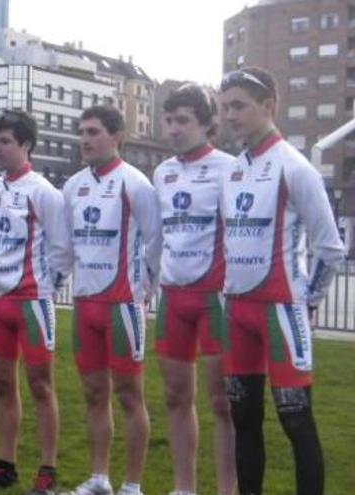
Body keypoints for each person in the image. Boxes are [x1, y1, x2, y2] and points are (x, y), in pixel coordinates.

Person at [219, 67, 345, 495]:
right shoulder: (233, 170)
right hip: (237, 314)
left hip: (281, 313)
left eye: (239, 106)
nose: (230, 116)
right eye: (225, 107)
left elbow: (331, 247)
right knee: (244, 419)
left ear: (269, 106)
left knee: (295, 421)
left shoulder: (295, 167)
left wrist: (307, 300)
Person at [60, 105, 161, 495]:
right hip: (85, 306)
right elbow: (69, 245)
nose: (85, 139)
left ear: (117, 136)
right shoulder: (73, 186)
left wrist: (143, 293)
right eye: (82, 132)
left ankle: (132, 484)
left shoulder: (135, 184)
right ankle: (99, 477)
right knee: (94, 393)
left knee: (129, 395)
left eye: (94, 132)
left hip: (122, 307)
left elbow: (155, 244)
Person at [0, 110, 66, 495]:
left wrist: (47, 287)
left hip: (32, 303)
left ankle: (48, 471)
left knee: (41, 385)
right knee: (2, 385)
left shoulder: (43, 191)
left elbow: (61, 248)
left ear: (25, 144)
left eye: (5, 141)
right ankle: (5, 464)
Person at [152, 84, 237, 495]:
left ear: (208, 124)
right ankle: (183, 487)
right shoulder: (163, 172)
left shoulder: (229, 169)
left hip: (215, 299)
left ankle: (226, 489)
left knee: (223, 403)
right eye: (169, 120)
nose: (173, 129)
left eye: (183, 121)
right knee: (174, 397)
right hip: (172, 298)